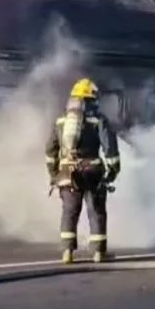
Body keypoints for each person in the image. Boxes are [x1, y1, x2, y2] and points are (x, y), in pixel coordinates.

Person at [46, 78, 121, 264]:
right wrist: (112, 171)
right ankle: (98, 253)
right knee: (96, 211)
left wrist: (54, 174)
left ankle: (67, 253)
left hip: (67, 173)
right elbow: (110, 148)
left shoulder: (61, 120)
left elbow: (50, 150)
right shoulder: (98, 120)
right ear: (91, 99)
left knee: (69, 212)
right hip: (93, 172)